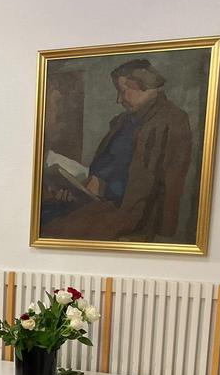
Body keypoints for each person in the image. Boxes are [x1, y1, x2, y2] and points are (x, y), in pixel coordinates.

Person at [43, 58, 193, 242]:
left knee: (55, 231)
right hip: (94, 201)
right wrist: (78, 187)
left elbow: (169, 182)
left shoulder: (173, 120)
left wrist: (160, 234)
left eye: (123, 92)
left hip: (127, 213)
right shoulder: (123, 121)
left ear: (141, 86)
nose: (118, 99)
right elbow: (106, 165)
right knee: (45, 216)